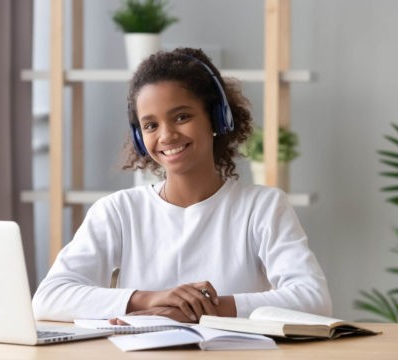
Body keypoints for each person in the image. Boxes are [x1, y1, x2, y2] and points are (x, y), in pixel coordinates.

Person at [32, 47, 332, 323]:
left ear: (217, 119)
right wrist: (149, 300)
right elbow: (48, 298)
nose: (166, 135)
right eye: (151, 125)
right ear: (139, 136)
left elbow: (314, 300)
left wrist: (200, 309)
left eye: (182, 117)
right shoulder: (118, 211)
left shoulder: (263, 207)